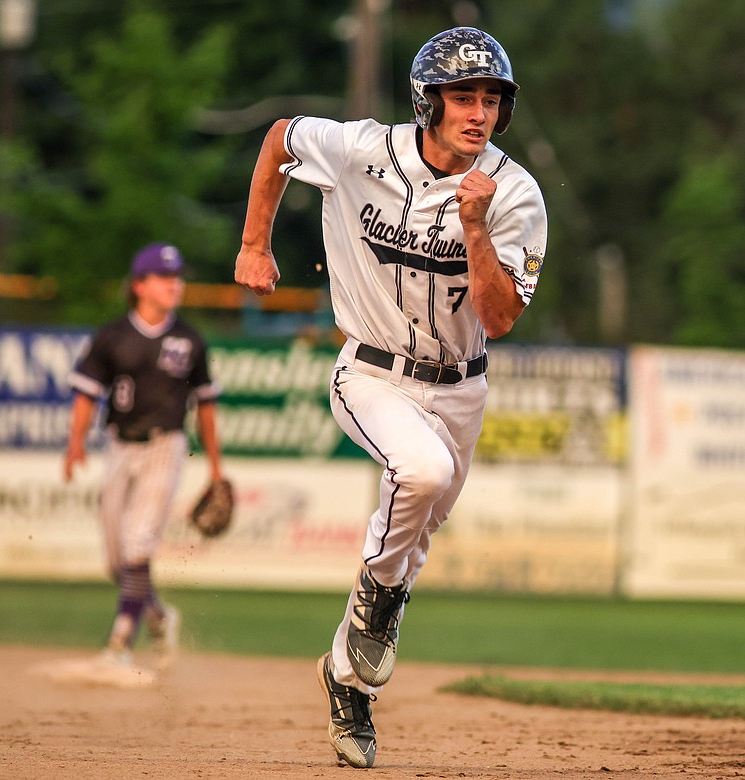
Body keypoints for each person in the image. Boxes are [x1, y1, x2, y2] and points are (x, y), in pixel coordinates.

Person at [234, 26, 548, 768]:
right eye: (462, 97)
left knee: (414, 538)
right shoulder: (362, 150)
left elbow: (499, 319)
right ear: (427, 101)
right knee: (421, 475)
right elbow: (281, 138)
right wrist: (254, 242)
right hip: (370, 371)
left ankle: (346, 681)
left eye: (491, 100)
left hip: (461, 389)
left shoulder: (515, 194)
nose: (478, 113)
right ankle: (379, 605)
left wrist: (474, 225)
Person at [64, 242, 223, 674]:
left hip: (165, 447)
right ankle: (158, 616)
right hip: (119, 445)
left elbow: (206, 405)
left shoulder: (189, 340)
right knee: (117, 560)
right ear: (139, 285)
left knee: (139, 544)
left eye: (178, 278)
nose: (176, 285)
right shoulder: (112, 336)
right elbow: (86, 395)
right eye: (166, 278)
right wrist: (75, 442)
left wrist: (215, 468)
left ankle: (119, 643)